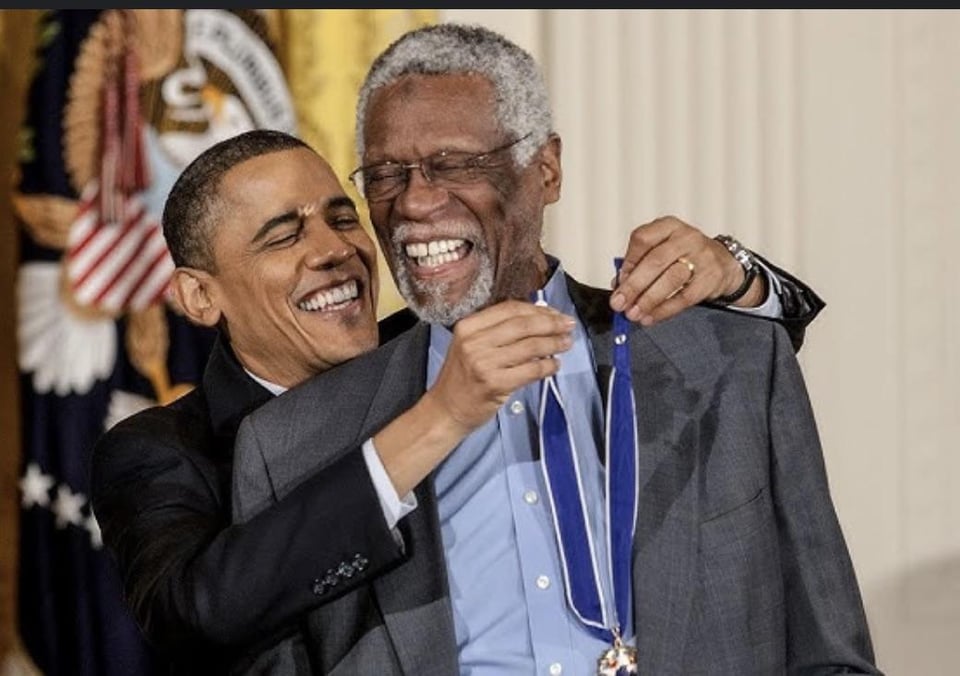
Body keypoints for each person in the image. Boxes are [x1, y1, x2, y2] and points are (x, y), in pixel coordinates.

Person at [230, 23, 880, 675]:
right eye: (385, 175)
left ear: (545, 168)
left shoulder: (728, 362)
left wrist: (745, 275)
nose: (416, 202)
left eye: (453, 165)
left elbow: (830, 654)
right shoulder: (296, 443)